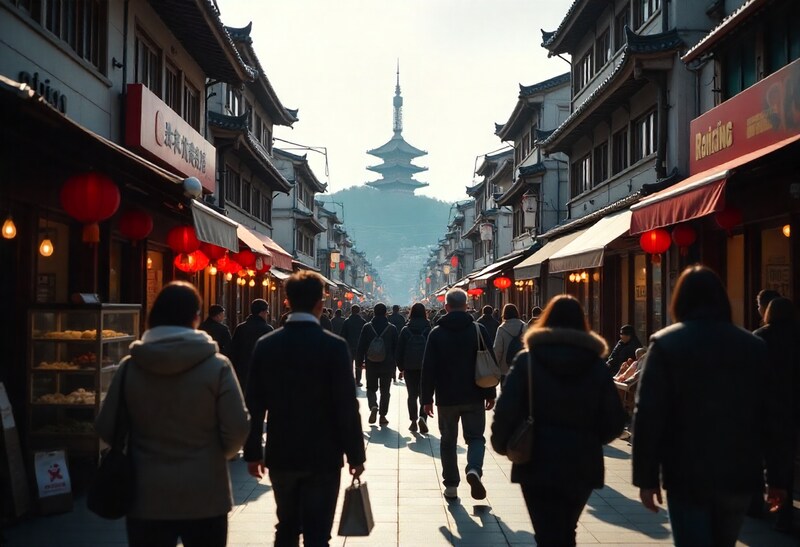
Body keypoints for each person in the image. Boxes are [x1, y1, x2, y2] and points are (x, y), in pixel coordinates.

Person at [632, 265, 787, 547]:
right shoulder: (752, 346)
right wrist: (777, 477)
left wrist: (646, 477)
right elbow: (771, 417)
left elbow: (648, 415)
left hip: (685, 471)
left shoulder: (666, 345)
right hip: (739, 470)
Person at [95, 282, 249, 547]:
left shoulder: (130, 367)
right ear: (196, 318)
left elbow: (106, 427)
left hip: (146, 494)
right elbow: (237, 428)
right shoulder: (217, 366)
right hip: (206, 492)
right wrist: (213, 454)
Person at [491, 295, 626, 546]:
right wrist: (592, 438)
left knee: (546, 532)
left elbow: (506, 409)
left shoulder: (527, 361)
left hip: (535, 459)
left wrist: (502, 444)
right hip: (582, 460)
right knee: (567, 528)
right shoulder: (595, 366)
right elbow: (615, 420)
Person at [244, 271, 366, 547]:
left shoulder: (267, 345)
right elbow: (346, 406)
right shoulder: (334, 347)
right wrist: (356, 455)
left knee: (286, 526)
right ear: (321, 304)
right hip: (324, 455)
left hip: (281, 451)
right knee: (318, 533)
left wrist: (252, 451)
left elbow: (253, 402)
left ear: (286, 301)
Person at [421, 288, 496, 500]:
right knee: (475, 438)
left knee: (447, 441)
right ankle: (474, 469)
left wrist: (426, 399)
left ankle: (451, 485)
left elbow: (428, 369)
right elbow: (489, 363)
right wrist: (490, 393)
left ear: (446, 307)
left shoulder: (436, 333)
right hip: (474, 395)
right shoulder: (478, 330)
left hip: (446, 398)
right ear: (466, 306)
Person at [754, 297, 800, 533]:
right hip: (792, 408)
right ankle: (785, 511)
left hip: (766, 407)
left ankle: (760, 504)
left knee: (761, 455)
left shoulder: (761, 336)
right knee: (787, 459)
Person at [355, 303, 399, 426]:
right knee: (385, 391)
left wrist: (359, 362)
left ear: (374, 313)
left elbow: (361, 346)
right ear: (386, 313)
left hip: (371, 363)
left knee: (371, 388)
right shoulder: (392, 328)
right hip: (387, 364)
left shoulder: (367, 327)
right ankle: (383, 416)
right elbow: (397, 348)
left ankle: (373, 405)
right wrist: (398, 365)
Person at [396, 302, 431, 433]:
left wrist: (401, 367)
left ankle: (413, 421)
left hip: (409, 367)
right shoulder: (428, 329)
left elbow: (399, 350)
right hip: (425, 367)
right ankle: (423, 417)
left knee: (412, 395)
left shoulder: (406, 329)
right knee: (424, 394)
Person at [228, 299, 274, 389]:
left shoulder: (240, 328)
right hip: (262, 371)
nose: (267, 314)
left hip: (242, 370)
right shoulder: (267, 329)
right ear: (262, 312)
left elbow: (233, 350)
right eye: (267, 311)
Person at [493, 304, 527, 378]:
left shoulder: (501, 328)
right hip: (521, 366)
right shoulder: (524, 326)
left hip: (505, 368)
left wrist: (495, 365)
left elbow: (498, 349)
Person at [340, 305, 367, 386]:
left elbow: (343, 335)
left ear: (351, 311)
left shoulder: (347, 321)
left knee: (349, 364)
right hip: (360, 347)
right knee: (359, 364)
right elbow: (366, 336)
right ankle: (358, 381)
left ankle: (350, 380)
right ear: (359, 311)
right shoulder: (363, 322)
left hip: (348, 345)